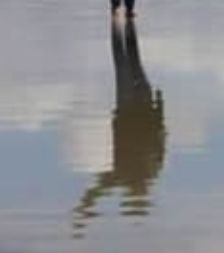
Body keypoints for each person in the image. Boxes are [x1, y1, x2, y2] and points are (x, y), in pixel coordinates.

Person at [71, 21, 166, 235]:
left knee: (126, 61)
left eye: (137, 197)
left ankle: (123, 30)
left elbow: (99, 189)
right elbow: (161, 137)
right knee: (128, 61)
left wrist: (84, 210)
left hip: (130, 106)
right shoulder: (149, 170)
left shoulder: (130, 174)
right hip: (136, 104)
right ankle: (124, 29)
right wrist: (84, 210)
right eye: (141, 196)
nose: (141, 191)